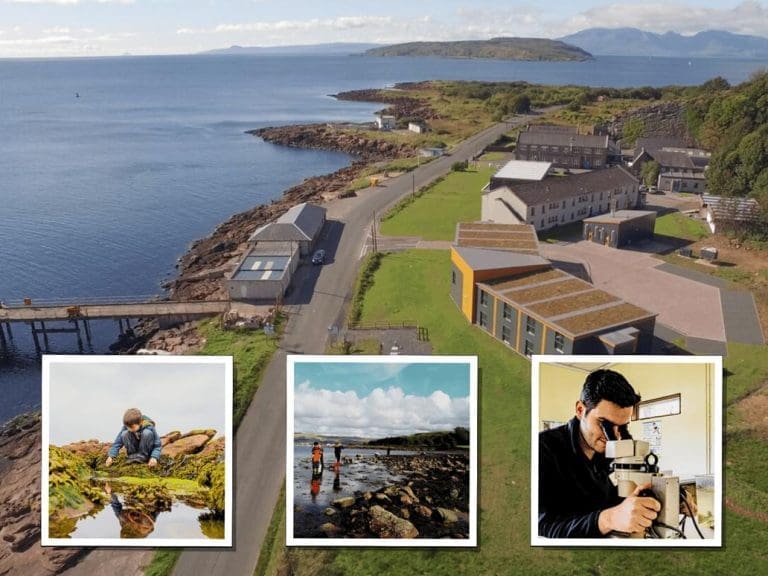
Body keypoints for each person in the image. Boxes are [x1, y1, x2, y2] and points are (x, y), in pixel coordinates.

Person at [538, 369, 661, 538]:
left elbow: (622, 501)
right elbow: (543, 527)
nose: (614, 436)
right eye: (605, 424)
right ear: (581, 410)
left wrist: (663, 500)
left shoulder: (619, 442)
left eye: (622, 426)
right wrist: (608, 519)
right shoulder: (543, 449)